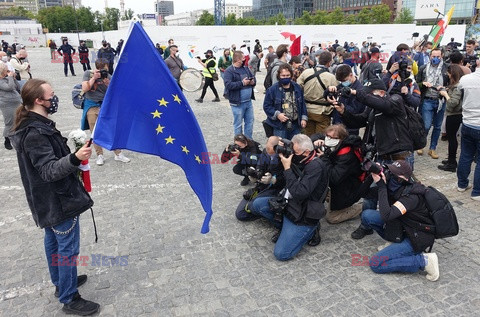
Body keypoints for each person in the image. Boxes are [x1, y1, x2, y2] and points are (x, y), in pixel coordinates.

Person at [9, 79, 101, 315]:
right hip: (58, 200)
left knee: (53, 242)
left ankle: (61, 282)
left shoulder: (34, 123)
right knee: (67, 249)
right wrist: (75, 158)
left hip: (47, 199)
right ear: (38, 101)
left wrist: (74, 154)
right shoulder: (35, 132)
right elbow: (49, 170)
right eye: (51, 95)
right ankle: (69, 298)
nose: (55, 98)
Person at [249, 134, 329, 260]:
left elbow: (300, 193)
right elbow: (274, 170)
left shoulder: (316, 167)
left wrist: (287, 168)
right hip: (287, 202)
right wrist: (279, 155)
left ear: (306, 152)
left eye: (295, 151)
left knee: (281, 254)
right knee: (256, 205)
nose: (292, 153)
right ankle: (284, 227)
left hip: (303, 211)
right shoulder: (297, 157)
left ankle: (311, 231)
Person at [360, 160, 439, 281]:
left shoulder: (411, 197)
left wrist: (382, 187)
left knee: (375, 263)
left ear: (403, 179)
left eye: (393, 174)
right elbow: (363, 193)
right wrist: (373, 177)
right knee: (367, 215)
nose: (390, 175)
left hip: (417, 236)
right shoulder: (395, 187)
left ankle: (424, 261)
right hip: (403, 226)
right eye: (390, 172)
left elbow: (386, 215)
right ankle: (395, 242)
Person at [81, 59, 130, 166]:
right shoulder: (88, 74)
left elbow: (116, 92)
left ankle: (118, 154)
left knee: (111, 129)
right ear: (97, 68)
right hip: (92, 105)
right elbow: (84, 88)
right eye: (102, 69)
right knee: (95, 131)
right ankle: (100, 155)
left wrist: (108, 84)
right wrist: (94, 78)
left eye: (106, 69)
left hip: (105, 105)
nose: (104, 71)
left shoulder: (107, 76)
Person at [313, 124, 365, 224]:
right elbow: (317, 136)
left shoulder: (346, 154)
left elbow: (334, 178)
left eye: (334, 138)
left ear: (341, 139)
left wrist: (324, 158)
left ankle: (361, 207)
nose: (329, 139)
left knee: (331, 218)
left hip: (347, 186)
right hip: (340, 181)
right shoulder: (333, 144)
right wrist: (315, 141)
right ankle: (328, 195)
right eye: (328, 136)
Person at [235, 136, 286, 221]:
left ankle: (266, 211)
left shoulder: (284, 158)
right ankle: (259, 208)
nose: (268, 151)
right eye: (267, 148)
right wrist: (254, 175)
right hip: (262, 186)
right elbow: (260, 166)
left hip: (276, 189)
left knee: (251, 206)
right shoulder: (265, 152)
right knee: (240, 213)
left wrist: (274, 180)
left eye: (270, 150)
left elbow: (288, 180)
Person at [416, 48, 449, 159]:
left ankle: (432, 148)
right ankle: (421, 144)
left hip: (440, 101)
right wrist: (422, 83)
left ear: (442, 56)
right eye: (433, 56)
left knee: (438, 127)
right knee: (426, 125)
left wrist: (445, 88)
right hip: (427, 99)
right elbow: (417, 84)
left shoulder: (446, 68)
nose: (435, 58)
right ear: (429, 56)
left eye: (438, 57)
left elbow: (452, 84)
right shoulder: (423, 68)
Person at [297, 51, 338, 136]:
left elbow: (297, 87)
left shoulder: (306, 72)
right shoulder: (331, 77)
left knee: (308, 138)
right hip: (322, 112)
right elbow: (335, 94)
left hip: (307, 110)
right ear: (329, 62)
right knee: (320, 139)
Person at [456, 59, 480, 200]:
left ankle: (462, 184)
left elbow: (459, 93)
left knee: (466, 155)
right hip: (473, 123)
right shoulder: (466, 79)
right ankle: (477, 191)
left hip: (467, 123)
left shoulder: (465, 79)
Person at [263, 63, 307, 139]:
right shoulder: (272, 89)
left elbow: (302, 104)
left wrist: (303, 118)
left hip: (295, 124)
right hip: (280, 126)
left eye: (287, 75)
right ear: (279, 76)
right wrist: (277, 115)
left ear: (291, 75)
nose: (285, 77)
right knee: (281, 148)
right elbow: (266, 106)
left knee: (295, 147)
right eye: (283, 76)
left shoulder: (297, 87)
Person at [437, 64, 465, 173]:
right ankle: (450, 160)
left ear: (452, 74)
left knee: (452, 139)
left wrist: (445, 94)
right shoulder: (456, 86)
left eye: (448, 73)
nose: (447, 75)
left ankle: (452, 164)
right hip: (454, 115)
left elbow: (453, 102)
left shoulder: (458, 87)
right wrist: (445, 89)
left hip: (454, 115)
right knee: (452, 139)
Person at [223, 50, 256, 138]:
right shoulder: (229, 71)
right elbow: (228, 85)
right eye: (243, 58)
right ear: (238, 59)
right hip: (237, 103)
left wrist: (253, 82)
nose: (245, 59)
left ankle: (248, 141)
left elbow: (253, 78)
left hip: (248, 102)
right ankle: (239, 143)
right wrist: (242, 83)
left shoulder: (245, 68)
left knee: (250, 122)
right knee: (238, 124)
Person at [327, 64, 366, 135]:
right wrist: (328, 94)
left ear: (351, 75)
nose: (343, 83)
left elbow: (356, 111)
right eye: (340, 81)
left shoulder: (360, 90)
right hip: (337, 124)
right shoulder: (341, 86)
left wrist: (341, 104)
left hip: (349, 128)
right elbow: (331, 95)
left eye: (344, 80)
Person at [0, 63, 21, 150]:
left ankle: (17, 138)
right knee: (9, 122)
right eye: (6, 69)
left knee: (18, 120)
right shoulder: (1, 81)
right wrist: (10, 77)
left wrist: (14, 78)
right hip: (7, 104)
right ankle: (7, 140)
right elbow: (9, 87)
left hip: (16, 102)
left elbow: (17, 86)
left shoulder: (7, 78)